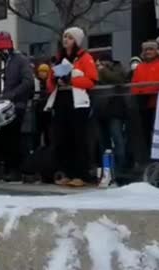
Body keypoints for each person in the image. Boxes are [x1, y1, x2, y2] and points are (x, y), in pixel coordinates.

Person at [47, 27, 99, 187]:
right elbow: (49, 83)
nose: (65, 40)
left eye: (69, 37)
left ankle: (81, 174)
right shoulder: (58, 58)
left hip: (78, 101)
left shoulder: (84, 57)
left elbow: (92, 80)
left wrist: (71, 80)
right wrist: (56, 80)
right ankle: (67, 172)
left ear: (76, 41)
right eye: (64, 37)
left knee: (79, 138)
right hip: (61, 99)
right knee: (63, 138)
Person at [0, 31, 34, 182]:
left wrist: (12, 94)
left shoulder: (20, 60)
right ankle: (6, 169)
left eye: (2, 49)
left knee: (14, 138)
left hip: (17, 105)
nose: (0, 52)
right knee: (3, 139)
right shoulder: (2, 63)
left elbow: (28, 82)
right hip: (2, 105)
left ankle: (15, 170)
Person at [131, 40, 159, 160]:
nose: (148, 52)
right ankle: (147, 157)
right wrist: (141, 92)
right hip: (143, 103)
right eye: (146, 50)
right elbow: (134, 84)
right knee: (144, 132)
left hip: (158, 103)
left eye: (151, 49)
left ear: (156, 51)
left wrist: (147, 89)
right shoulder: (140, 67)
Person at [94, 54, 128, 175]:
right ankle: (106, 169)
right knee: (103, 142)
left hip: (115, 110)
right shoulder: (95, 70)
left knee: (117, 139)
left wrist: (103, 71)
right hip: (99, 110)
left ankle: (120, 169)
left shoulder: (117, 68)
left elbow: (118, 80)